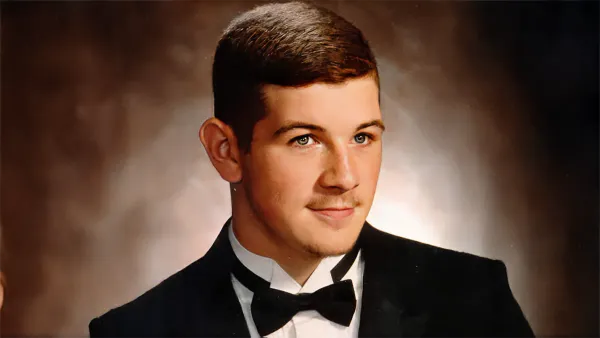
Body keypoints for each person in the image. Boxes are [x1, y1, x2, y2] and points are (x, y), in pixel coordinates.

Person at [89, 2, 535, 337]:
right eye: (305, 139)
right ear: (225, 150)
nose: (344, 177)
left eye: (363, 137)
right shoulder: (132, 332)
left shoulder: (476, 300)